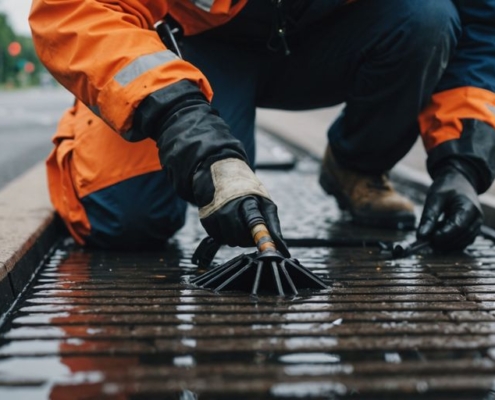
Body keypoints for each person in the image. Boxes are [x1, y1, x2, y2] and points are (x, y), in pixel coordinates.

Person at [29, 0, 494, 254]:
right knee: (122, 219)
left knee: (428, 18)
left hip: (330, 38)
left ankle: (356, 165)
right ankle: (149, 109)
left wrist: (462, 167)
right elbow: (76, 9)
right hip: (197, 46)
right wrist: (179, 117)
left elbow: (479, 27)